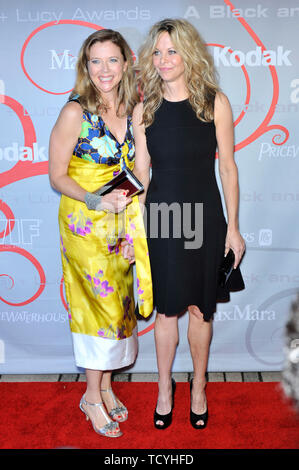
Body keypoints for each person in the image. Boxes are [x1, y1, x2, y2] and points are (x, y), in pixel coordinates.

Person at [132, 18, 245, 430]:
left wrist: (233, 228)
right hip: (161, 218)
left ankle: (198, 386)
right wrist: (132, 231)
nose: (163, 60)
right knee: (166, 312)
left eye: (172, 51)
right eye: (158, 52)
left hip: (204, 218)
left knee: (201, 310)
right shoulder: (144, 110)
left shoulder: (214, 103)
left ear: (189, 54)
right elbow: (142, 176)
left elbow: (228, 170)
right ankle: (165, 388)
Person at [49, 29, 152, 438]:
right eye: (95, 61)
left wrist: (134, 224)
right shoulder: (75, 111)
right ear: (85, 65)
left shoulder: (137, 108)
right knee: (100, 307)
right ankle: (91, 396)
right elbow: (57, 176)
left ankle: (106, 386)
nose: (104, 70)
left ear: (126, 63)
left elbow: (141, 170)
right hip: (84, 223)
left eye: (112, 60)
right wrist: (96, 202)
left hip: (123, 219)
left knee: (121, 304)